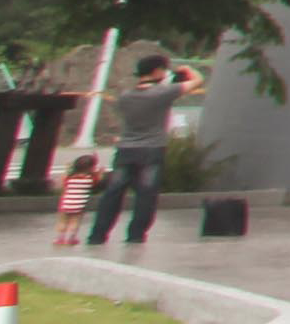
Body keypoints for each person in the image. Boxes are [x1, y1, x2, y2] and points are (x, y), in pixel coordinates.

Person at [78, 50, 200, 250]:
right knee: (146, 195)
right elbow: (198, 81)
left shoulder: (125, 96)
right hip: (152, 150)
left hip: (125, 149)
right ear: (157, 71)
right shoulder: (163, 93)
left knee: (113, 193)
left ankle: (97, 235)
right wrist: (187, 69)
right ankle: (135, 235)